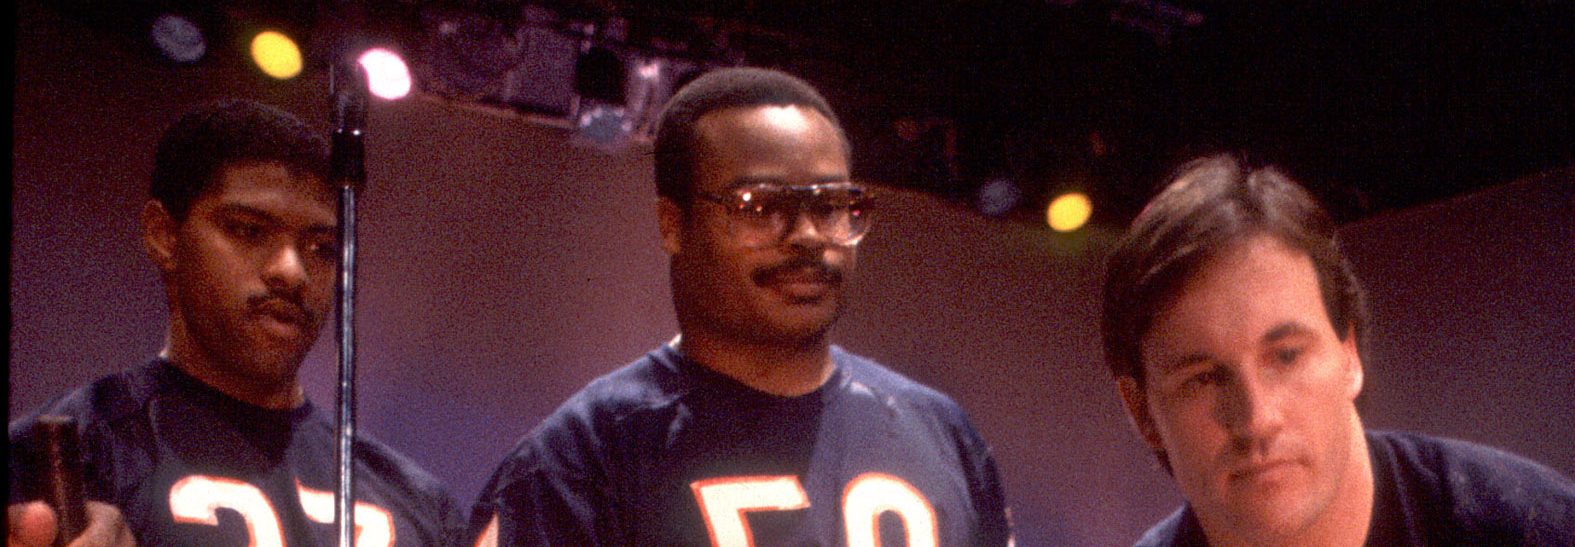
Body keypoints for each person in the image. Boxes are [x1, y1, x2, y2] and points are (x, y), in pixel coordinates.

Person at [468, 67, 1012, 546]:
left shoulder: (943, 434)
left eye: (831, 206)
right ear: (673, 224)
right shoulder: (584, 457)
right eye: (760, 207)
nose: (806, 236)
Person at [8, 100, 466, 546]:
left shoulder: (419, 504)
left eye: (321, 248)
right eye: (250, 231)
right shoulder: (64, 457)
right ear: (163, 235)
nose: (291, 272)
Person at [1101, 153, 1575, 546]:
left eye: (1286, 355)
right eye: (1202, 377)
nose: (1257, 418)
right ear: (1142, 412)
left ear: (1348, 353)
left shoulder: (1531, 528)